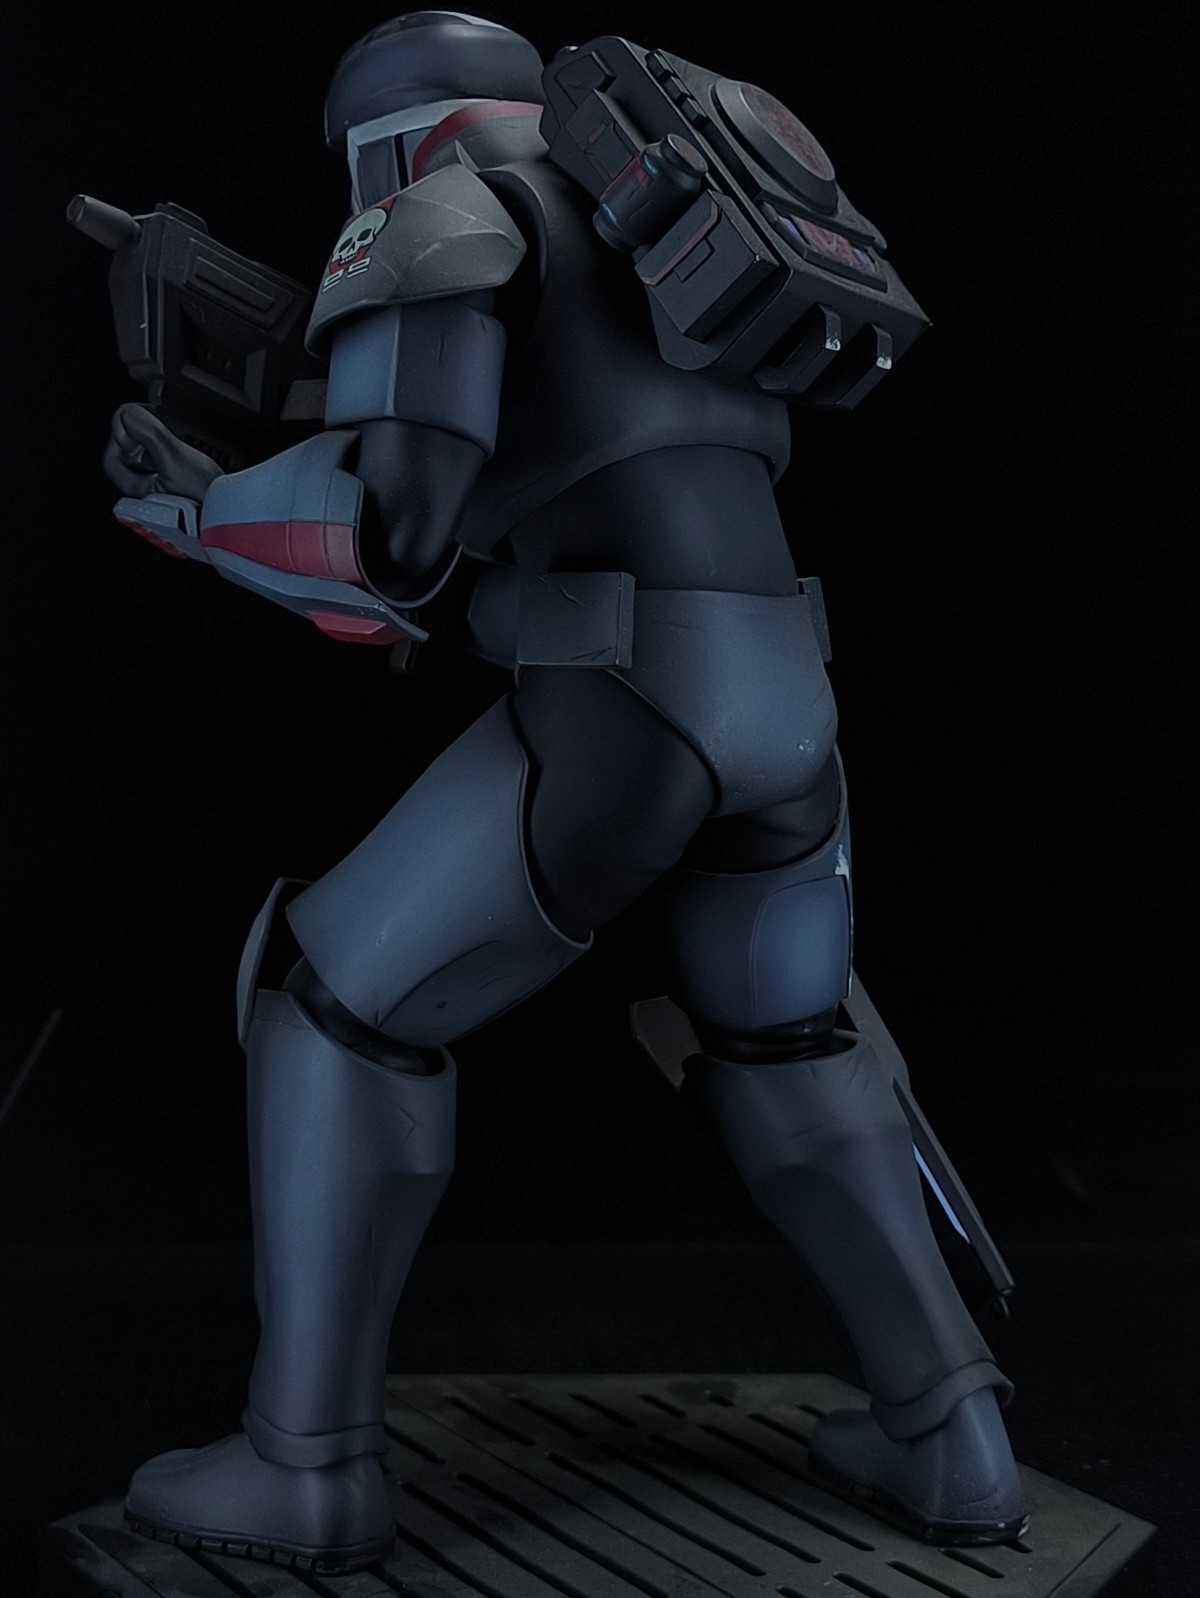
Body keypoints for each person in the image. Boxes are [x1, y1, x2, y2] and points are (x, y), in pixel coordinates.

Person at [101, 12, 1026, 1575]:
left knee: (327, 1002)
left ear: (380, 136)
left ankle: (304, 1465)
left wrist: (199, 516)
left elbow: (390, 539)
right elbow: (573, 512)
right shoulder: (656, 228)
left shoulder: (442, 213)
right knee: (791, 1042)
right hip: (789, 710)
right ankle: (954, 1435)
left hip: (629, 712)